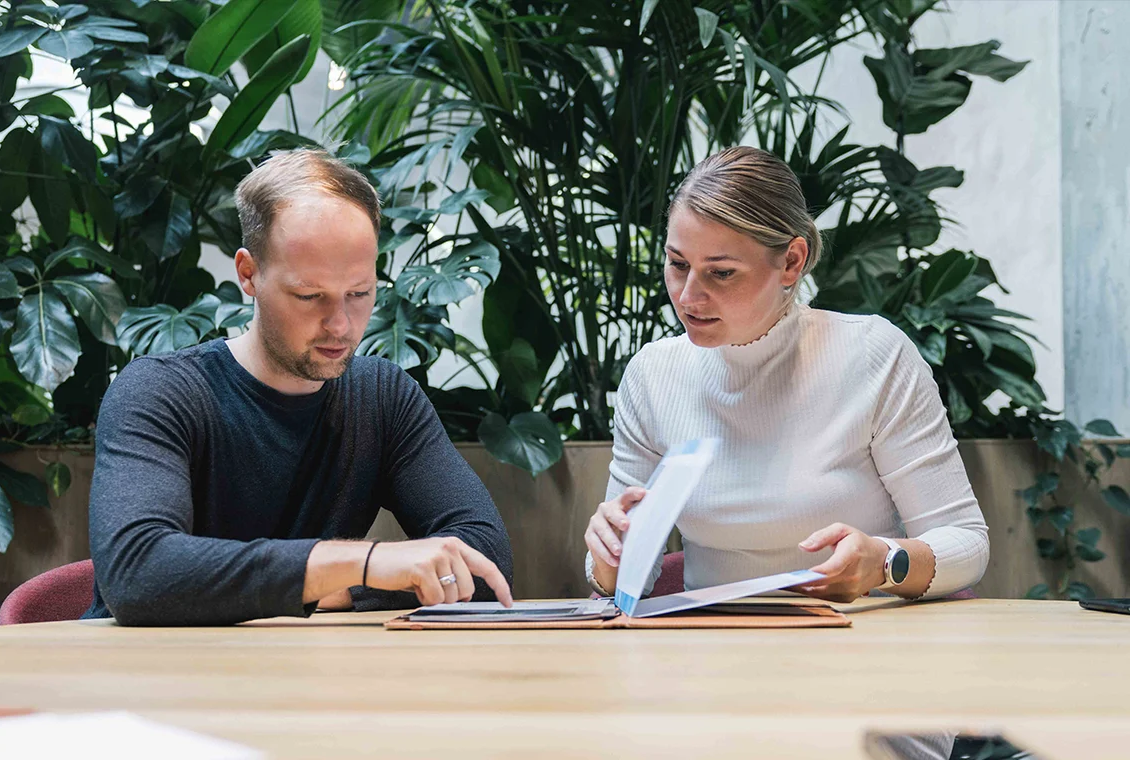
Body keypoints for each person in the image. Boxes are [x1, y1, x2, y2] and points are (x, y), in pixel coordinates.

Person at [85, 150, 513, 626]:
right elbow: (139, 573)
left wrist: (323, 589)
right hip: (152, 684)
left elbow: (484, 554)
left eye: (360, 293)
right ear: (248, 274)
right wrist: (363, 565)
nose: (340, 325)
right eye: (309, 296)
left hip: (305, 680)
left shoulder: (382, 399)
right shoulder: (160, 393)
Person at [584, 146, 988, 603]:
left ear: (792, 262)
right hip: (704, 654)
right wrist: (610, 555)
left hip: (857, 649)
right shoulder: (653, 376)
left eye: (721, 273)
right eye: (678, 265)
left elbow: (967, 542)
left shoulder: (873, 355)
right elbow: (618, 578)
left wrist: (884, 562)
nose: (688, 297)